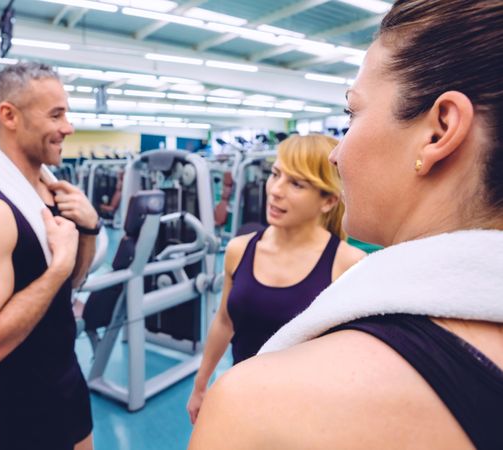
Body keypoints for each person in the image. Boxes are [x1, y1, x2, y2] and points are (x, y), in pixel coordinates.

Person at [189, 1, 503, 449]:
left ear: (439, 131)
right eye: (276, 175)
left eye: (352, 114)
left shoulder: (256, 406)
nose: (338, 154)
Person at [0, 62, 99, 450]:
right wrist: (60, 265)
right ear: (9, 115)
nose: (69, 127)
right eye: (56, 114)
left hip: (68, 377)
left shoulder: (53, 190)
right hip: (21, 405)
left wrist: (90, 229)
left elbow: (72, 284)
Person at [187, 134, 365, 424]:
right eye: (275, 174)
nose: (276, 190)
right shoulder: (238, 249)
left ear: (328, 201)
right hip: (243, 397)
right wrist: (200, 385)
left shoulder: (348, 264)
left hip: (305, 413)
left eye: (296, 183)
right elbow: (224, 321)